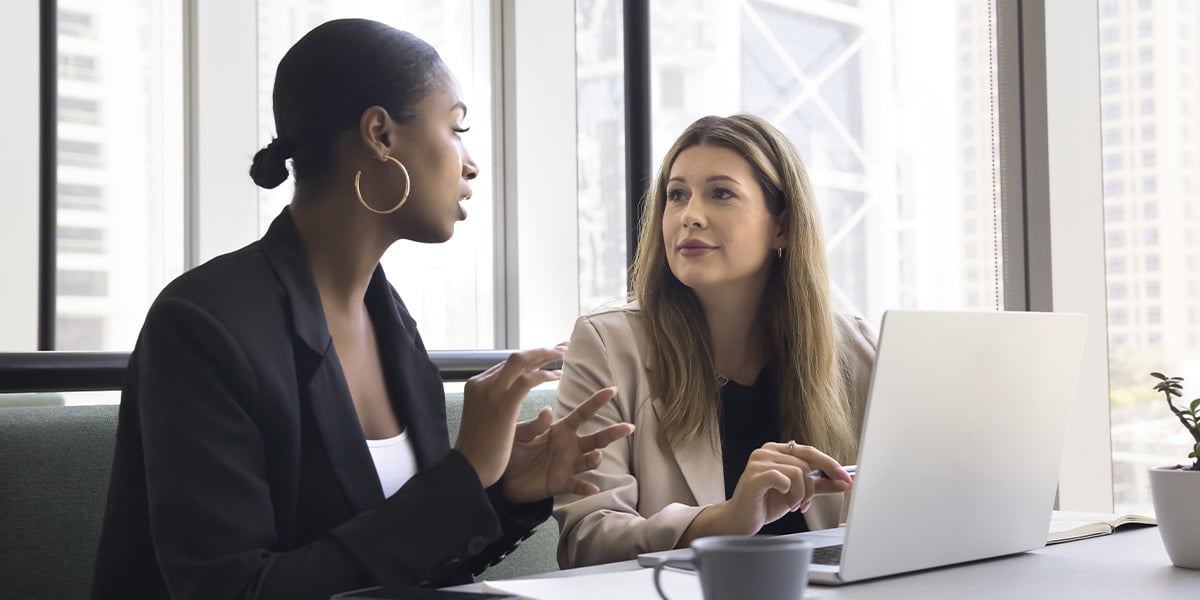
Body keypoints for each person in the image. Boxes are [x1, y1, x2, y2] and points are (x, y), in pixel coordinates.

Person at [91, 18, 632, 600]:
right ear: (379, 134)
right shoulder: (200, 325)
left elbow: (407, 565)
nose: (470, 163)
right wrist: (463, 474)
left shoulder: (392, 323)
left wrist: (500, 492)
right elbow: (235, 590)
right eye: (456, 128)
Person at [553, 114, 877, 568]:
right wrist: (725, 521)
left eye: (720, 193)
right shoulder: (607, 344)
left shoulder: (855, 347)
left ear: (781, 226)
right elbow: (585, 542)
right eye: (676, 195)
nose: (690, 216)